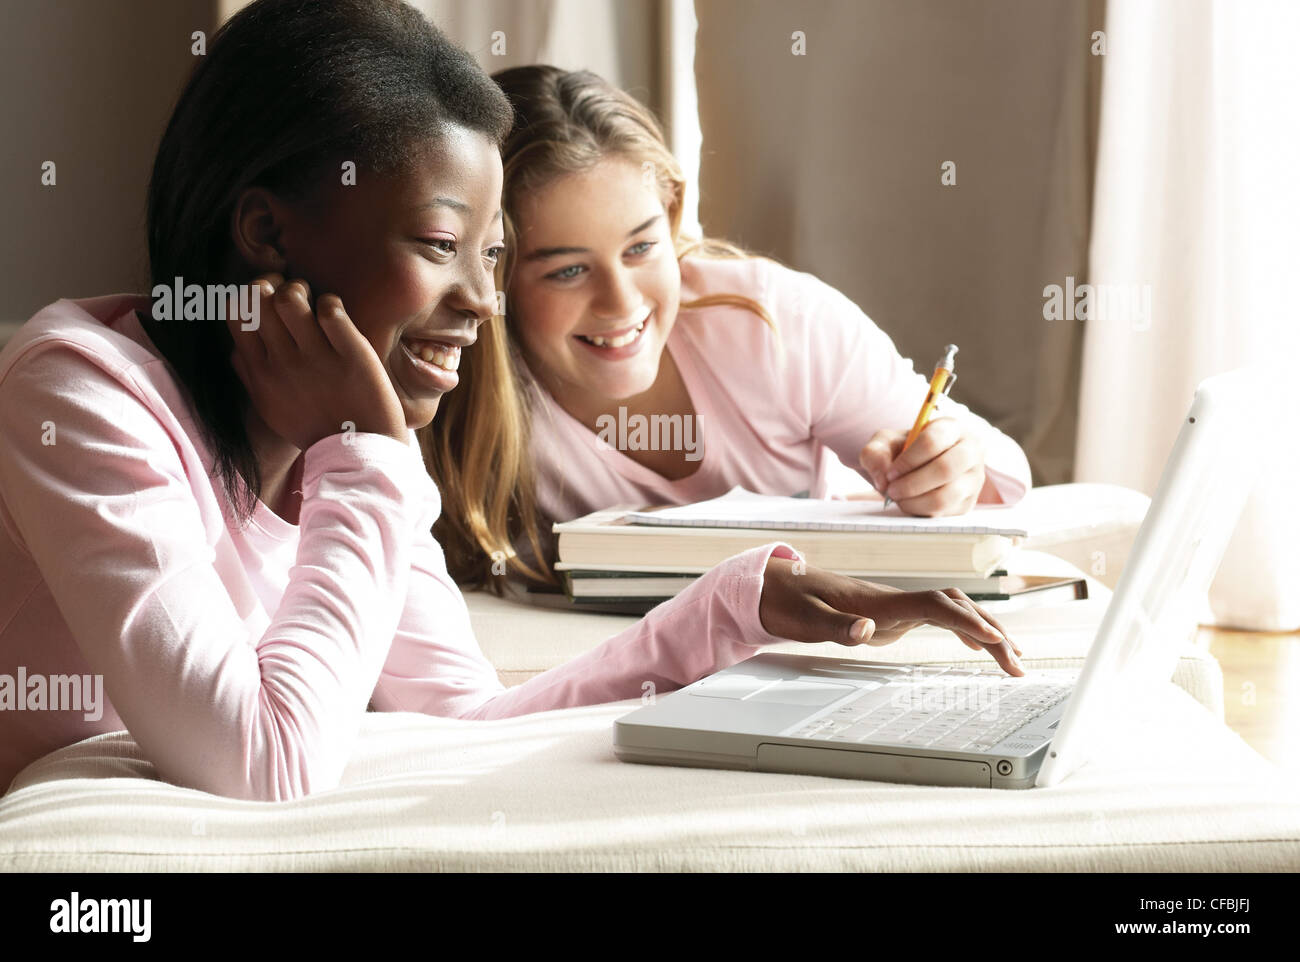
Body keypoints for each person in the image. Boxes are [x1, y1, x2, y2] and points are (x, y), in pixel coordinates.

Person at [0, 1, 1022, 801]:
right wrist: (365, 451)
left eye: (492, 256)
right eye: (444, 246)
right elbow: (265, 757)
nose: (484, 302)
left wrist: (736, 605)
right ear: (266, 234)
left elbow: (466, 717)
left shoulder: (346, 442)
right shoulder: (81, 393)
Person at [426, 65, 1033, 590]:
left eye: (640, 249)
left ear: (672, 220)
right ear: (494, 275)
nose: (620, 301)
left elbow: (1005, 477)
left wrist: (952, 468)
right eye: (568, 270)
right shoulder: (457, 383)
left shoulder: (776, 324)